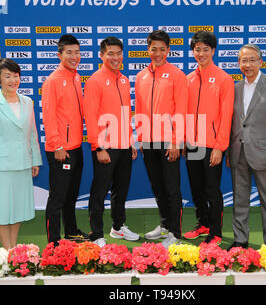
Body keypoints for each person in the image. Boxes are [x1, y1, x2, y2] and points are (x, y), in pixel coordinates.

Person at [227, 44, 266, 248]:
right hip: (238, 153)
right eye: (244, 60)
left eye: (252, 60)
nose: (248, 64)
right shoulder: (235, 88)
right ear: (238, 63)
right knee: (239, 200)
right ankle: (240, 240)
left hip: (264, 155)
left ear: (261, 62)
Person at [83, 36, 140, 247]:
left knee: (121, 190)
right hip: (104, 147)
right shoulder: (95, 81)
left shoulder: (124, 80)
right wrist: (98, 147)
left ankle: (118, 228)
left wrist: (130, 141)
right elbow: (90, 116)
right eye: (110, 54)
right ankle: (96, 233)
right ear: (101, 55)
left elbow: (125, 114)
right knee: (99, 191)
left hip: (124, 146)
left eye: (118, 53)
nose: (115, 57)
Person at [0, 58, 42, 250]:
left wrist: (35, 161)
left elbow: (32, 133)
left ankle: (14, 248)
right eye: (7, 76)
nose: (13, 80)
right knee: (1, 210)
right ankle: (7, 250)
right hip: (1, 167)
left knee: (18, 209)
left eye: (16, 76)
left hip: (23, 164)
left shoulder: (27, 101)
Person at [135, 29, 188, 248]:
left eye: (162, 49)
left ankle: (175, 232)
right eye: (153, 49)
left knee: (171, 188)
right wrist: (139, 138)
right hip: (148, 141)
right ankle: (165, 225)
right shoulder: (141, 76)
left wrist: (176, 141)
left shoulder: (177, 75)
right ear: (148, 50)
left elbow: (182, 110)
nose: (158, 53)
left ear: (168, 50)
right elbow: (139, 109)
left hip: (169, 142)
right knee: (157, 186)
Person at [183, 31, 234, 245]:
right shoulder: (188, 79)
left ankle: (216, 232)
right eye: (197, 49)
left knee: (212, 190)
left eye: (205, 49)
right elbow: (184, 113)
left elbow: (226, 116)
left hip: (212, 145)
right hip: (192, 145)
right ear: (193, 51)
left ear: (213, 51)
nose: (201, 53)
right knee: (196, 189)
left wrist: (219, 147)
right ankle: (202, 224)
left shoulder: (224, 79)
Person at [42, 34, 88, 245]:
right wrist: (58, 145)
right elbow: (49, 117)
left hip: (76, 147)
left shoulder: (76, 77)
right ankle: (53, 242)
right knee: (58, 198)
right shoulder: (53, 81)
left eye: (77, 52)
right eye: (69, 52)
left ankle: (70, 232)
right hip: (60, 149)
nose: (74, 56)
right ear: (59, 54)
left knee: (71, 195)